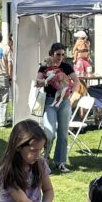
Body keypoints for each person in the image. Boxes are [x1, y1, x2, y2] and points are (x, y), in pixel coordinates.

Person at [36, 42, 77, 172]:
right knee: (49, 133)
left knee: (63, 134)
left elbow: (76, 81)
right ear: (51, 54)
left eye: (63, 55)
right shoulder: (44, 66)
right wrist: (46, 81)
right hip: (50, 102)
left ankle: (60, 162)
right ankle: (44, 161)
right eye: (58, 54)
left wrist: (70, 93)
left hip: (64, 102)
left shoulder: (66, 66)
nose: (60, 57)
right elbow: (37, 82)